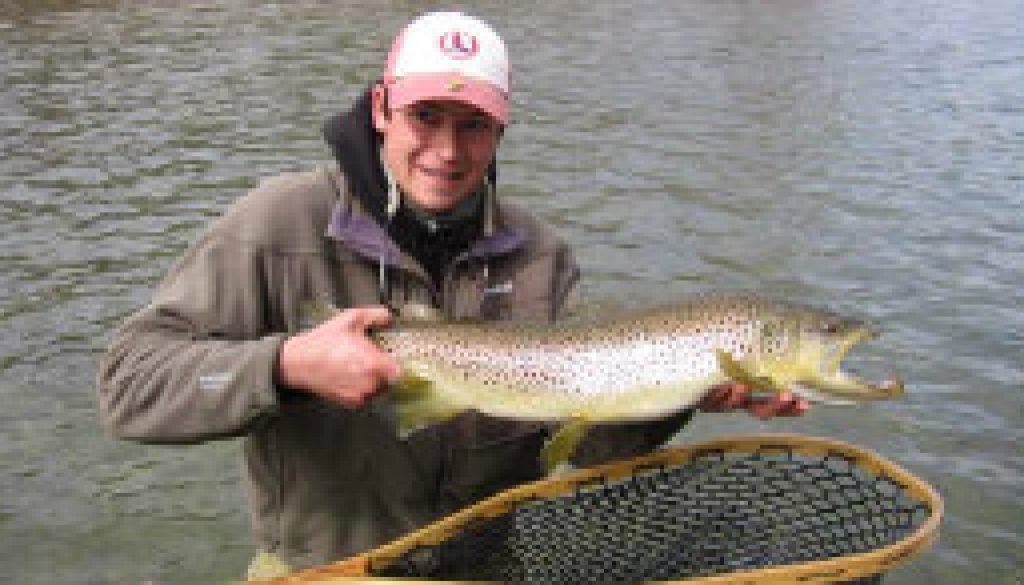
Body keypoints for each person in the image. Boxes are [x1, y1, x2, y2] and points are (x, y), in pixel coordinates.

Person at [96, 11, 808, 579]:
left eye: (474, 125)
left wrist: (684, 393)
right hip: (322, 571)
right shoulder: (278, 222)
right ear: (381, 108)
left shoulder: (542, 257)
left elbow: (584, 445)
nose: (448, 149)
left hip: (489, 570)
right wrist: (284, 367)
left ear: (501, 129)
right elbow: (129, 384)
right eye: (425, 117)